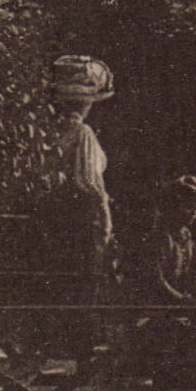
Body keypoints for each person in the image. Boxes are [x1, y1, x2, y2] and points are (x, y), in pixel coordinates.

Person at [42, 55, 116, 278]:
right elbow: (91, 184)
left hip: (52, 218)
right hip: (81, 222)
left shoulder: (48, 130)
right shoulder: (83, 134)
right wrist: (106, 224)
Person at [143, 175, 196, 303]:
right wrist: (184, 300)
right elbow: (157, 282)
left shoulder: (185, 236)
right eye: (189, 205)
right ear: (173, 204)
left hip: (176, 307)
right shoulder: (160, 236)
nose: (194, 212)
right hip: (152, 309)